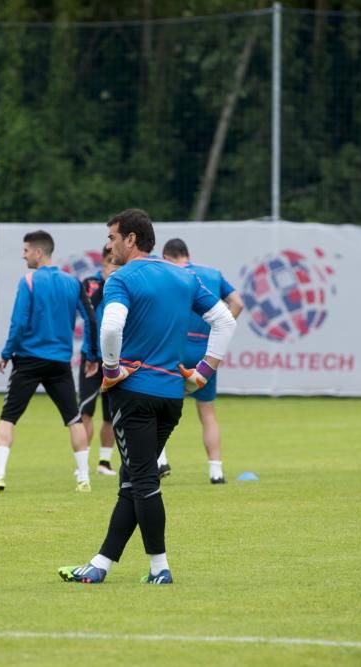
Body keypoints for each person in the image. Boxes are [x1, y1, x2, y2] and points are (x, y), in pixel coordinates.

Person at [59, 208, 237, 585]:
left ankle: (160, 568)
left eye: (112, 238)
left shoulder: (122, 278)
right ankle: (101, 563)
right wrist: (204, 371)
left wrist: (110, 371)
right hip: (171, 398)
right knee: (133, 477)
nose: (108, 246)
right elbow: (225, 320)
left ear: (131, 239)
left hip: (134, 394)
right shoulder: (183, 277)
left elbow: (110, 327)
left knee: (142, 481)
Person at [0, 230, 97, 493]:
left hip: (29, 361)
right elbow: (90, 320)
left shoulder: (28, 282)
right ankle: (84, 479)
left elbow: (19, 322)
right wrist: (91, 355)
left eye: (25, 251)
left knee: (7, 419)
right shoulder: (72, 282)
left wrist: (7, 352)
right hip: (59, 363)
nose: (23, 256)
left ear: (37, 252)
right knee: (74, 419)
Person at [160, 237, 244, 484]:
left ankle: (160, 459)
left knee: (159, 406)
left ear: (167, 258)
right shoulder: (213, 274)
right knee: (207, 413)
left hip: (175, 348)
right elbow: (238, 303)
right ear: (187, 253)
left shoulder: (171, 274)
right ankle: (216, 472)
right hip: (207, 351)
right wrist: (220, 328)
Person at [77, 247, 119, 477]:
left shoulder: (124, 285)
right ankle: (82, 462)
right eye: (110, 262)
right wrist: (105, 284)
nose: (114, 266)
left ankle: (105, 461)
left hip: (115, 356)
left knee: (111, 414)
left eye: (117, 262)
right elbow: (88, 308)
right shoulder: (90, 283)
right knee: (86, 410)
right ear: (102, 262)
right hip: (91, 355)